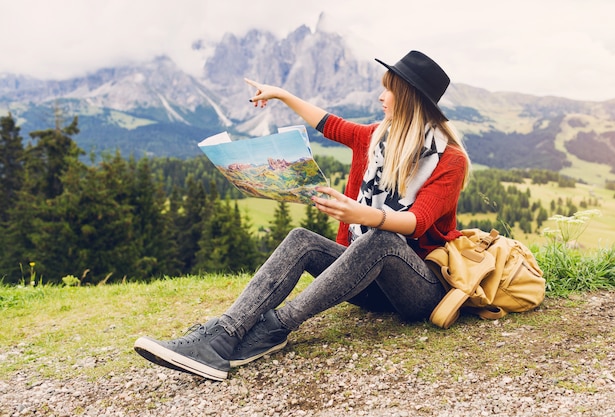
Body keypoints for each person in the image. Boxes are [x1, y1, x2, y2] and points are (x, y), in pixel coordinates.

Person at [134, 50, 471, 381]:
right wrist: (281, 94)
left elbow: (418, 222)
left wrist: (364, 214)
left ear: (409, 99)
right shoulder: (375, 138)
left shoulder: (450, 160)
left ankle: (274, 328)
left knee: (382, 238)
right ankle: (224, 334)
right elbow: (329, 124)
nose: (382, 97)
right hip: (367, 283)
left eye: (390, 90)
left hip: (418, 291)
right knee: (301, 239)